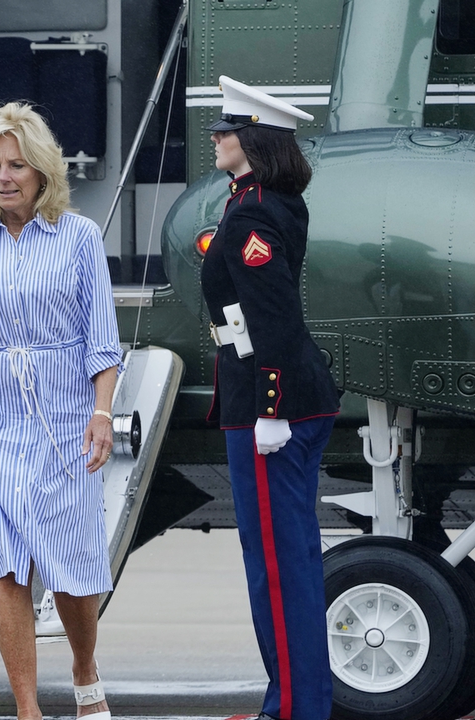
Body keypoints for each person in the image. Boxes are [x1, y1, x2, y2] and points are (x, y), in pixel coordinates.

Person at [0, 101, 123, 720]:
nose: (4, 177)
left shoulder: (80, 237)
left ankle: (85, 669)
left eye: (16, 165)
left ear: (42, 172)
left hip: (64, 415)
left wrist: (102, 413)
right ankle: (27, 709)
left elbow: (102, 338)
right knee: (9, 564)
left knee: (70, 566)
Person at [203, 76, 341, 720]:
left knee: (279, 572)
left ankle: (295, 711)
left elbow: (274, 317)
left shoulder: (253, 210)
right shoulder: (265, 201)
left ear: (252, 141)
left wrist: (269, 408)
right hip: (283, 395)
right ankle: (292, 701)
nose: (216, 137)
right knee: (286, 563)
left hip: (271, 405)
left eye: (226, 130)